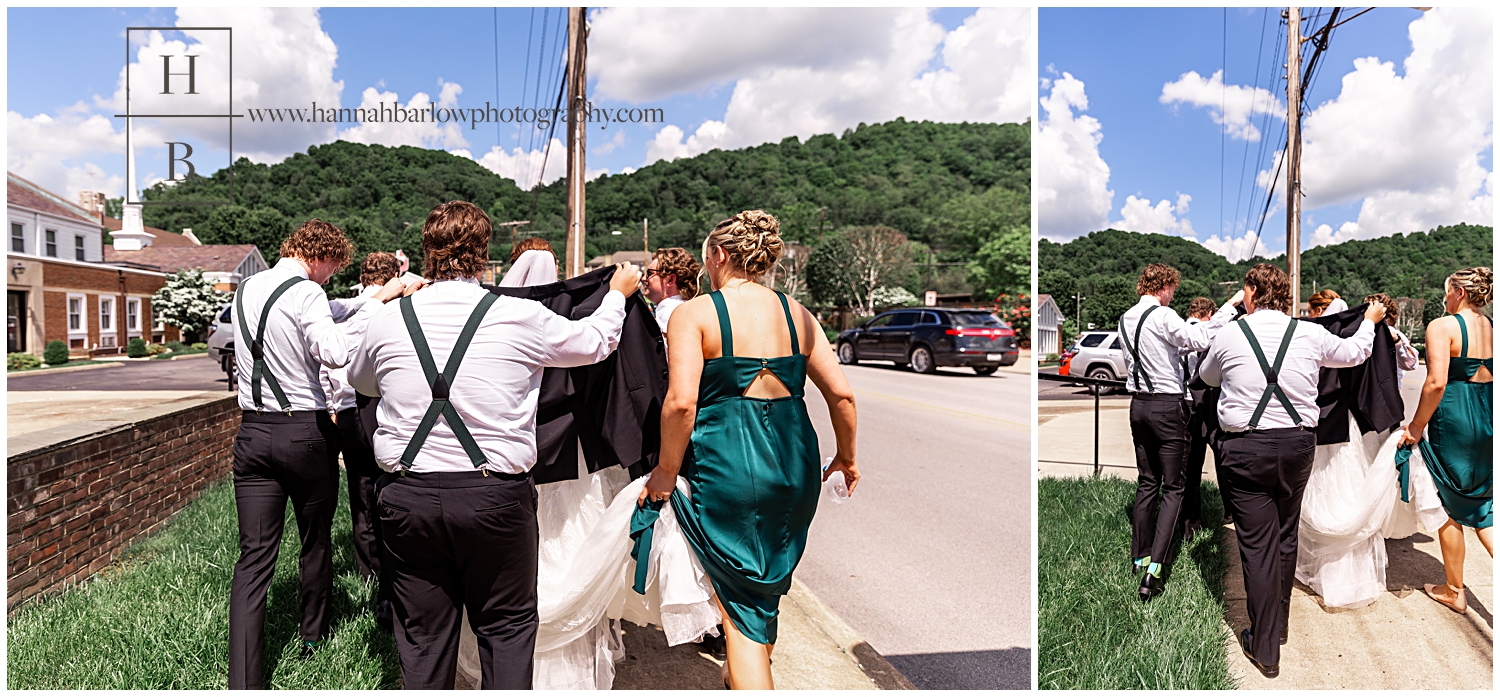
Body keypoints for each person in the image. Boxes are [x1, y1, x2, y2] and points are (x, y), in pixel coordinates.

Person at [347, 201, 641, 689]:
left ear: (426, 251)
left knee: (422, 637)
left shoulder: (387, 319)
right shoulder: (519, 315)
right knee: (505, 629)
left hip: (407, 497)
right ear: (484, 254)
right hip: (494, 499)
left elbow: (365, 381)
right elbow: (593, 343)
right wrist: (615, 294)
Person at [637, 210, 859, 689]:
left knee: (739, 606)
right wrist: (846, 457)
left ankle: (749, 678)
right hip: (795, 465)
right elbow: (841, 395)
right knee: (764, 589)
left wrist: (665, 471)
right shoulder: (799, 314)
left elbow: (680, 404)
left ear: (718, 256)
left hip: (729, 467)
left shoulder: (694, 314)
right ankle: (744, 674)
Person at [228, 220, 409, 689]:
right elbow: (332, 351)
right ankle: (312, 637)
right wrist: (372, 320)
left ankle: (243, 681)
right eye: (332, 268)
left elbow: (331, 307)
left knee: (253, 560)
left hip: (251, 434)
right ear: (321, 257)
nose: (330, 278)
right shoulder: (306, 291)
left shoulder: (248, 287)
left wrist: (374, 296)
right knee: (315, 539)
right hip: (303, 434)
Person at [1198, 263, 1385, 678]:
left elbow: (1207, 376)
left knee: (1257, 545)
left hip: (1245, 448)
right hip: (1298, 445)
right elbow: (1355, 353)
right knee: (1285, 535)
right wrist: (1370, 321)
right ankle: (1278, 627)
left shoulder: (1230, 334)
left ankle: (1264, 645)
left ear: (1249, 292)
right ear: (1285, 295)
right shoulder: (1311, 332)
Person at [1118, 264, 1239, 600]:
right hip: (1167, 406)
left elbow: (1164, 350)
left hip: (1138, 406)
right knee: (1174, 486)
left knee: (1146, 482)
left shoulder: (1127, 317)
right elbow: (1200, 338)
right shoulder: (1164, 315)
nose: (1174, 295)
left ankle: (1139, 556)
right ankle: (1156, 569)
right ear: (1166, 286)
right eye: (1173, 289)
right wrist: (1230, 308)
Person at [1400, 267, 1493, 614]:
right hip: (1487, 417)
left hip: (1453, 422)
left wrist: (1416, 426)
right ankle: (1453, 588)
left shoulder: (1442, 326)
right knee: (1483, 505)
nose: (1444, 298)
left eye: (1447, 291)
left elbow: (1436, 382)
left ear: (1459, 291)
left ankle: (1455, 590)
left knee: (1447, 502)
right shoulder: (1492, 327)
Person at [321, 250, 406, 630]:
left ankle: (368, 574)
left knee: (361, 493)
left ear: (362, 274)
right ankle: (395, 580)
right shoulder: (394, 305)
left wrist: (333, 404)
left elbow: (327, 362)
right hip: (385, 409)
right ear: (394, 275)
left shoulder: (344, 307)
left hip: (348, 413)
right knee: (394, 489)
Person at [1181, 296, 1220, 542]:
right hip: (1203, 404)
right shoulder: (1204, 336)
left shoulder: (1177, 332)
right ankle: (1225, 511)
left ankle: (1189, 523)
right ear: (1208, 314)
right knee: (1217, 457)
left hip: (1181, 403)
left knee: (1189, 467)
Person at [645, 247, 701, 335]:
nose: (644, 278)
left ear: (670, 280)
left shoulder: (672, 313)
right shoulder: (689, 310)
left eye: (650, 273)